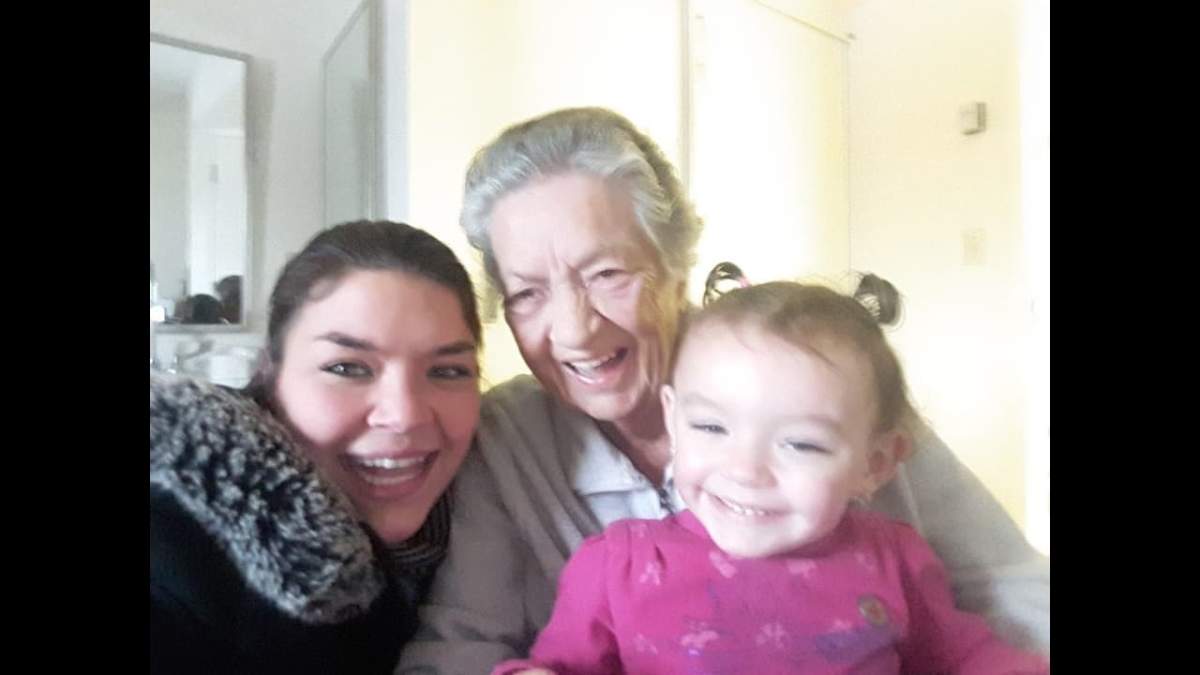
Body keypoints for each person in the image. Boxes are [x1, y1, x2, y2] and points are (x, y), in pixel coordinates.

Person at [398, 108, 1049, 672]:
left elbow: (1010, 589)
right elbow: (465, 641)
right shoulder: (508, 439)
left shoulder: (821, 384)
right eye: (528, 293)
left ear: (677, 266)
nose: (575, 332)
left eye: (606, 273)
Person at [493, 270, 1050, 674]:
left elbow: (967, 655)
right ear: (673, 417)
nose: (746, 470)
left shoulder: (894, 560)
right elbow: (560, 664)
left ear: (875, 464)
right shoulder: (619, 565)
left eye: (801, 444)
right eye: (712, 428)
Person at [150, 220, 483, 674]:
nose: (405, 416)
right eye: (347, 368)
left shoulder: (492, 514)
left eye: (447, 371)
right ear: (271, 374)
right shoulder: (176, 536)